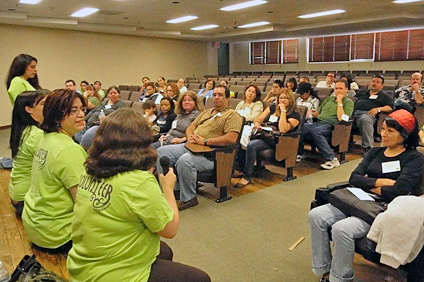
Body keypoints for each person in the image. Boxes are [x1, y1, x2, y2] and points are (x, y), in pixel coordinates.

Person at [67, 108, 211, 282]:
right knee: (201, 279)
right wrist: (167, 188)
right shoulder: (139, 181)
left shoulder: (88, 169)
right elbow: (170, 229)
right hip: (110, 274)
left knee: (164, 251)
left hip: (82, 263)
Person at [308, 109, 424, 282]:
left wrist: (368, 182)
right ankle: (324, 270)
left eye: (390, 131)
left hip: (382, 208)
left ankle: (340, 278)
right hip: (356, 199)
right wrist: (380, 182)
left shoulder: (414, 159)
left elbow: (399, 190)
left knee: (342, 229)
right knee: (316, 215)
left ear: (405, 135)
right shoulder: (375, 152)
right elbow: (354, 178)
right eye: (383, 129)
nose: (382, 134)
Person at [156, 85, 243, 210]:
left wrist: (206, 141)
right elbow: (191, 126)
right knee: (161, 152)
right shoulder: (208, 112)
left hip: (211, 155)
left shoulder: (232, 115)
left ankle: (189, 198)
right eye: (215, 95)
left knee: (184, 160)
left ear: (228, 98)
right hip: (192, 146)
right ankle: (174, 190)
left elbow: (231, 138)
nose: (216, 98)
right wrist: (190, 136)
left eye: (220, 95)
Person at [22, 89, 87, 253]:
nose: (80, 115)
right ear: (57, 116)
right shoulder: (69, 149)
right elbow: (83, 203)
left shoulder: (46, 138)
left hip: (35, 225)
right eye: (73, 110)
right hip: (56, 234)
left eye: (81, 109)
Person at [234, 88, 300, 187]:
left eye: (286, 98)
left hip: (279, 141)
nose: (282, 100)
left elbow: (283, 129)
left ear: (291, 100)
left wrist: (283, 111)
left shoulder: (295, 114)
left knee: (252, 145)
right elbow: (258, 119)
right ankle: (241, 168)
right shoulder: (272, 107)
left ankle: (246, 177)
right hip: (265, 135)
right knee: (240, 137)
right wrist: (257, 124)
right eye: (280, 98)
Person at [298, 80, 354, 169]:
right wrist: (311, 112)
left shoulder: (348, 102)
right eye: (336, 88)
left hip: (332, 126)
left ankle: (332, 159)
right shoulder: (329, 99)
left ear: (346, 89)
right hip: (318, 122)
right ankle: (299, 153)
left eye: (341, 88)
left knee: (316, 131)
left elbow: (341, 118)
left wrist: (339, 101)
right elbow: (318, 113)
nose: (338, 91)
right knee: (300, 127)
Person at [8, 91, 47, 217]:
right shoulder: (36, 135)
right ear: (29, 109)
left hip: (17, 193)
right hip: (25, 199)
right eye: (43, 104)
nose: (48, 107)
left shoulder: (24, 130)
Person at [354, 75, 393, 150]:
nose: (374, 83)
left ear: (382, 86)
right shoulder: (362, 93)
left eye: (377, 82)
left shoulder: (384, 96)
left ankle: (368, 147)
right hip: (354, 113)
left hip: (368, 115)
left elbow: (390, 107)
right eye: (373, 81)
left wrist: (378, 109)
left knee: (364, 119)